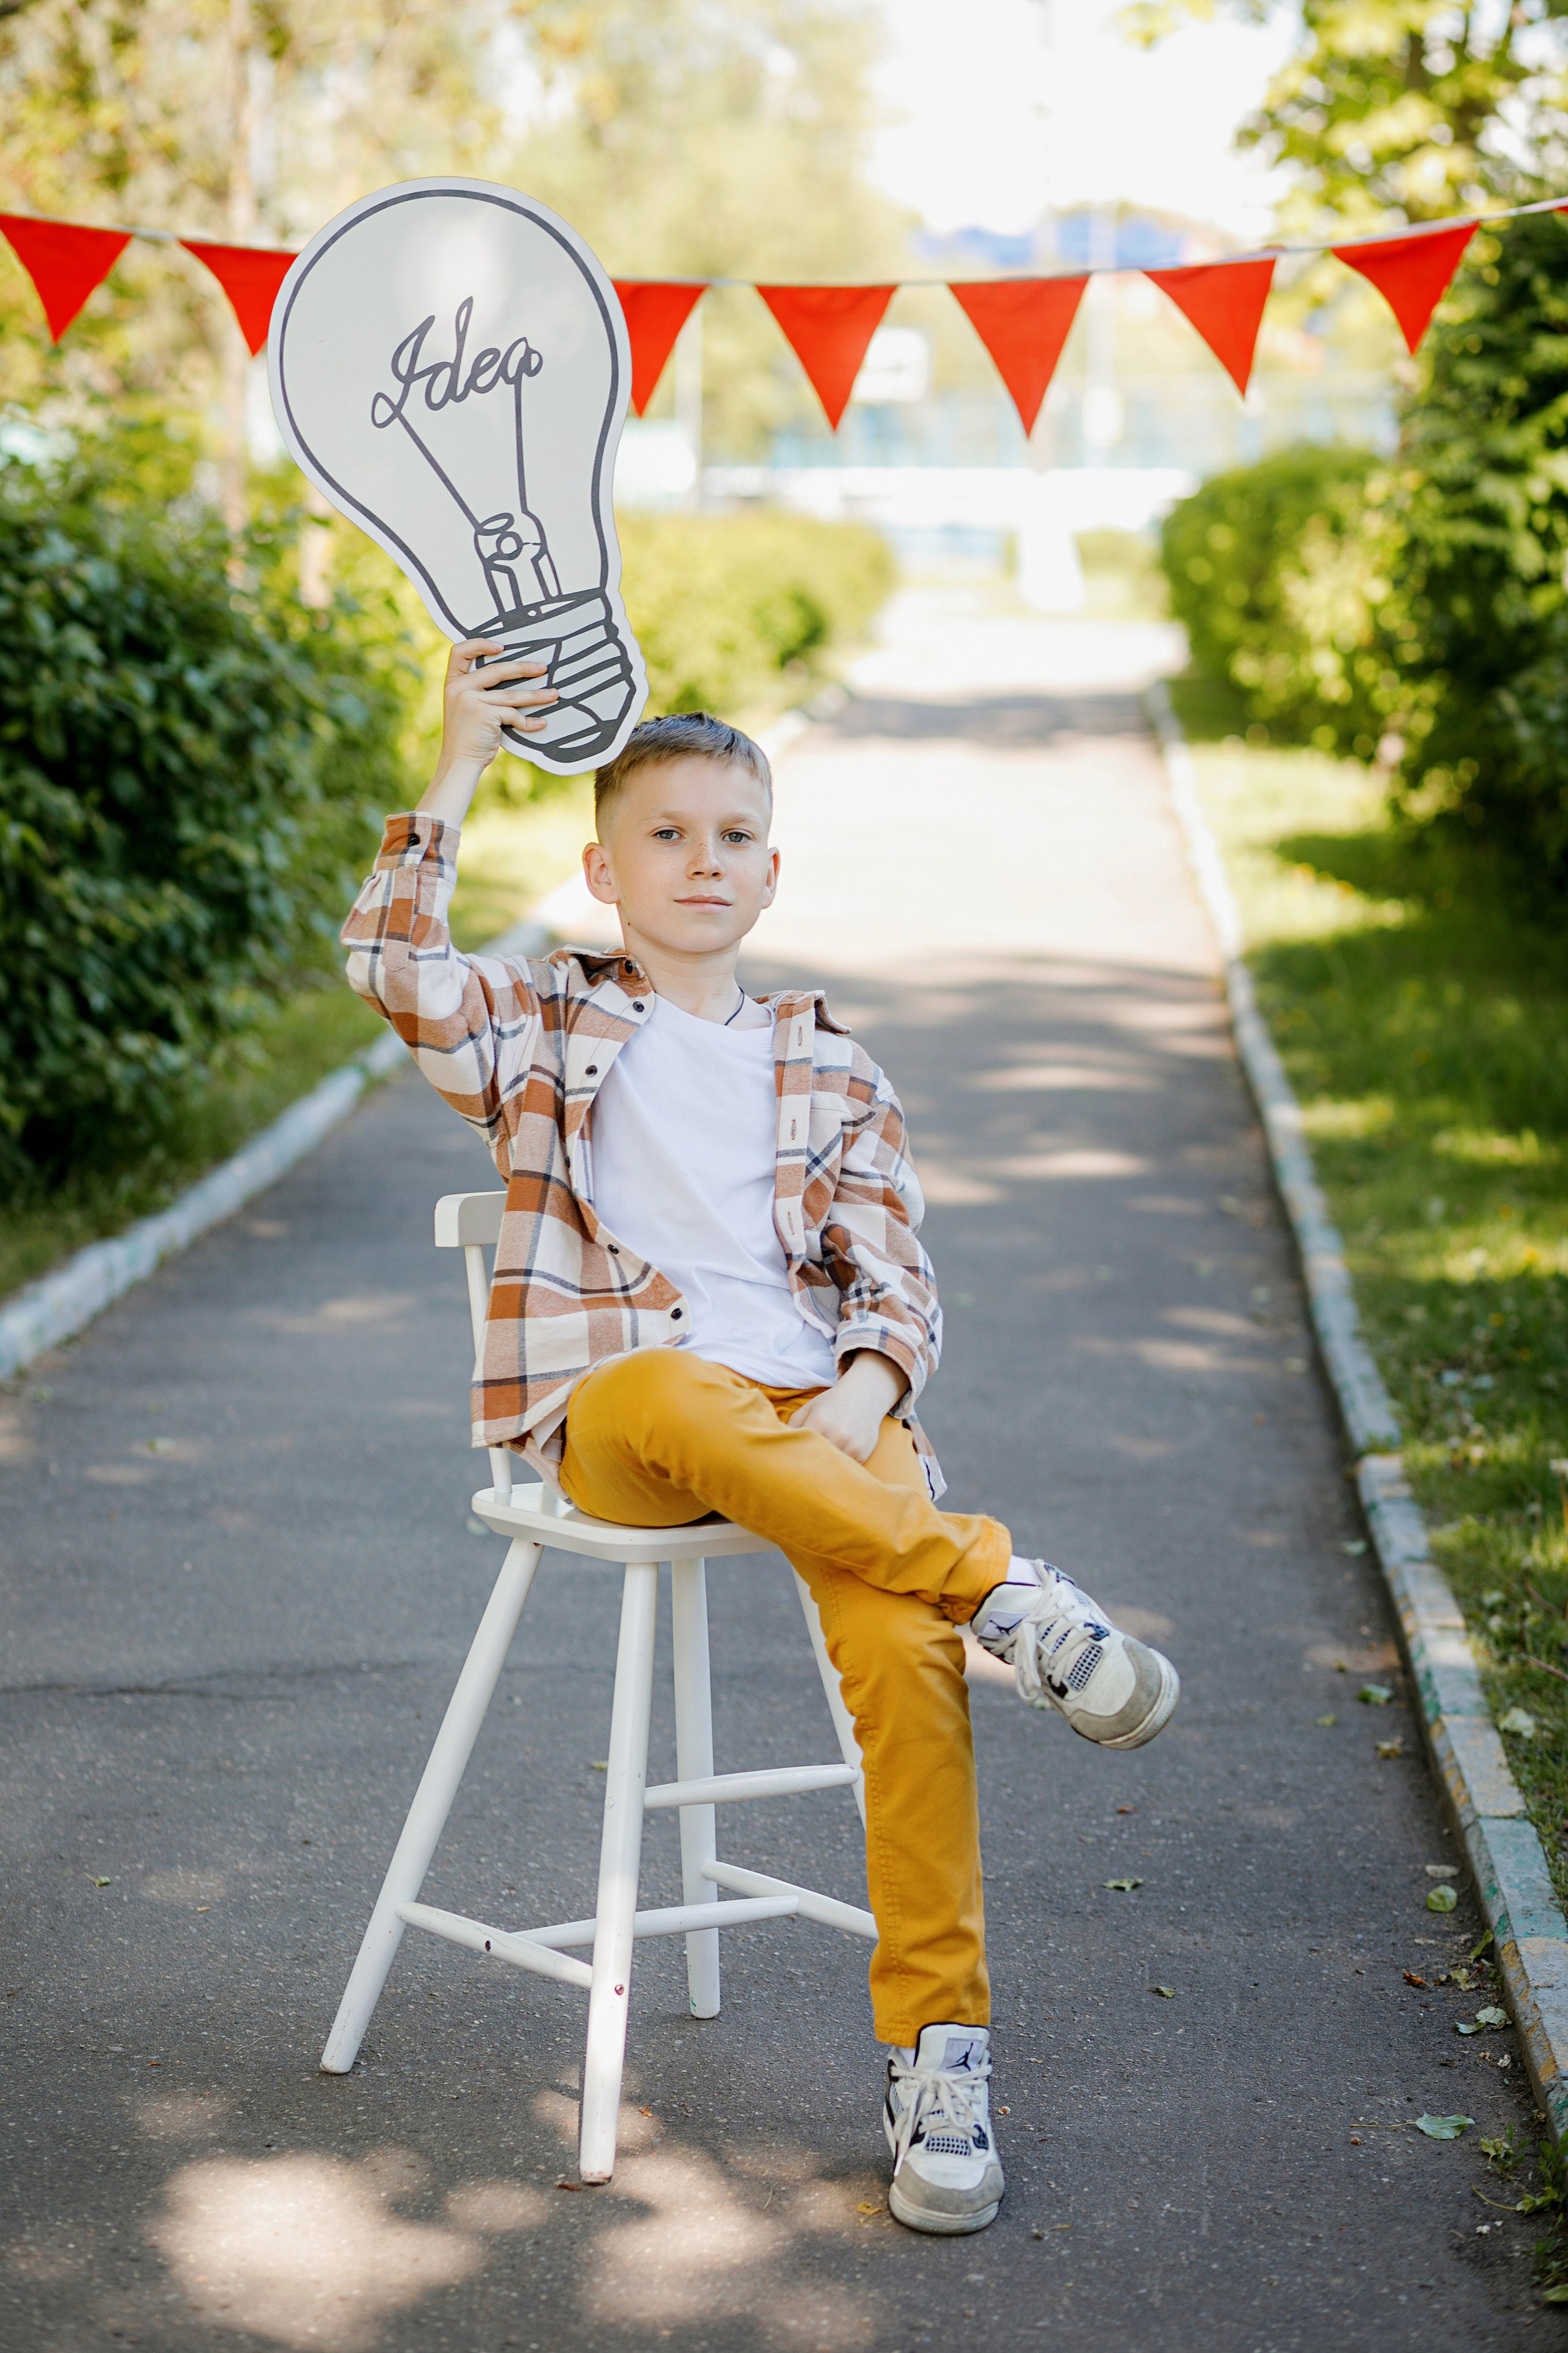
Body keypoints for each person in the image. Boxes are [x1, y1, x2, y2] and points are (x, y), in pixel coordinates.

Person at [341, 637, 1180, 2237]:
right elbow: (395, 970)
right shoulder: (546, 1025)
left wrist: (861, 1410)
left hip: (823, 1414)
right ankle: (999, 1580)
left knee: (905, 1649)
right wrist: (453, 763)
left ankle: (940, 2053)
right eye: (665, 834)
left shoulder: (835, 1068)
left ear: (773, 870)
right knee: (662, 1385)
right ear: (602, 865)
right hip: (631, 1420)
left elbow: (895, 1284)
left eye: (731, 837)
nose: (700, 860)